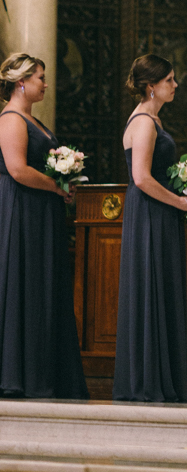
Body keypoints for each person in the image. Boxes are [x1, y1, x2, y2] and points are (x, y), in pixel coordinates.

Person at [0, 53, 88, 398]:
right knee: (21, 282)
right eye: (40, 78)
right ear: (21, 82)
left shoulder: (32, 120)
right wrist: (57, 186)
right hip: (20, 210)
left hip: (41, 210)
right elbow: (18, 169)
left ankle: (44, 370)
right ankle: (18, 372)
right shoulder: (11, 119)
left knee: (42, 284)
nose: (46, 84)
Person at [113, 54, 187, 402]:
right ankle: (149, 381)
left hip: (157, 214)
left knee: (159, 287)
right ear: (152, 87)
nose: (175, 85)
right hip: (150, 213)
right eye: (170, 80)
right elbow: (141, 177)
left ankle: (159, 376)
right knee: (151, 287)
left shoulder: (152, 120)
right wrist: (180, 202)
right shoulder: (145, 123)